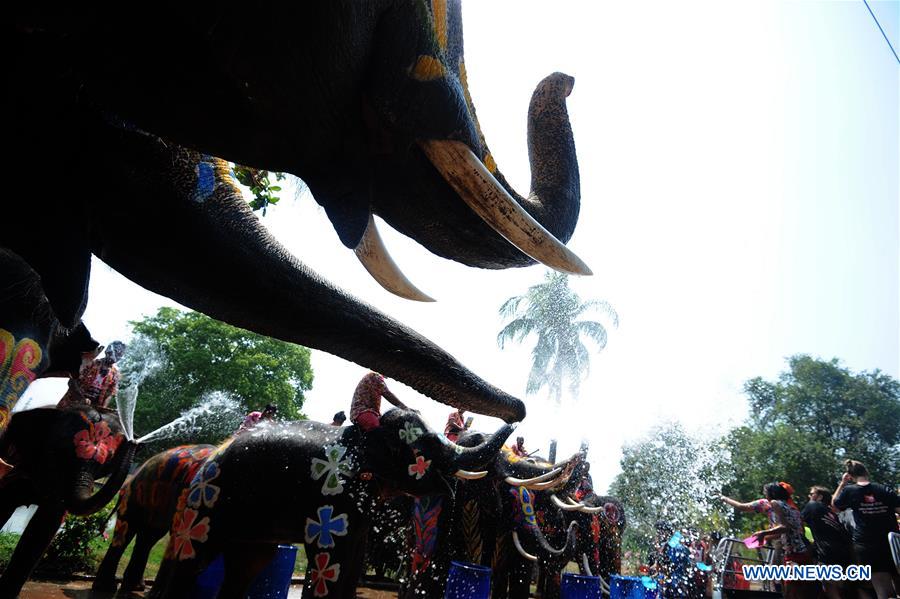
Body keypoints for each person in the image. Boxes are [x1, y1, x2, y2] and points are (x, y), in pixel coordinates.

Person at [720, 482, 817, 599]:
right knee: (802, 587)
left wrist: (763, 533)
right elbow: (792, 530)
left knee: (789, 587)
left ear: (771, 494)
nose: (764, 495)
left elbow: (784, 527)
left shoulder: (774, 503)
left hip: (793, 552)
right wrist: (766, 537)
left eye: (765, 493)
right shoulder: (792, 508)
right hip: (802, 550)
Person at [833, 459, 900, 599]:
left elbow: (834, 506)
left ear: (850, 476)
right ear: (867, 472)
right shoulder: (884, 489)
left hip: (867, 544)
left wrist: (843, 483)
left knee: (884, 592)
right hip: (891, 544)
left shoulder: (849, 490)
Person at [801, 486, 853, 599]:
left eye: (811, 494)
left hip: (826, 553)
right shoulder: (832, 513)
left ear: (819, 497)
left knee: (830, 589)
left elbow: (798, 522)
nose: (809, 496)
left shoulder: (812, 505)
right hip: (843, 553)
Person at [58, 340, 126, 409]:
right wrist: (81, 399)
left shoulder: (115, 375)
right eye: (116, 352)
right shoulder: (90, 363)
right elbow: (72, 382)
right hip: (71, 404)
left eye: (120, 355)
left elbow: (109, 395)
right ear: (108, 351)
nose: (116, 356)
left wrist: (102, 410)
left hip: (90, 410)